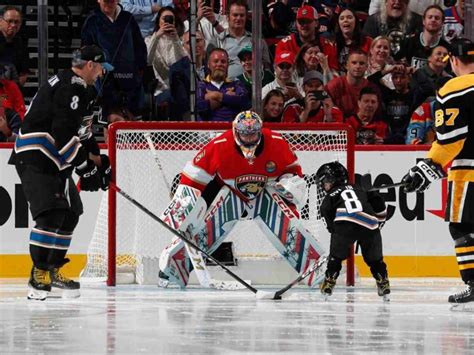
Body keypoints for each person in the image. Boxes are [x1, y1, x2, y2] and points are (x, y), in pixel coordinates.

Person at [158, 110, 326, 288]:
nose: (249, 138)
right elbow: (194, 176)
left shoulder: (277, 143)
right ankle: (172, 270)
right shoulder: (220, 145)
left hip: (264, 193)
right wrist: (184, 205)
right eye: (244, 134)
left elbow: (294, 175)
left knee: (288, 228)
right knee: (204, 230)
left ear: (260, 131)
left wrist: (289, 194)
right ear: (235, 131)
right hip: (230, 194)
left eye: (253, 133)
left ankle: (316, 270)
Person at [8, 45, 114, 300]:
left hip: (54, 159)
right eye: (100, 68)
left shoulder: (82, 89)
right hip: (36, 156)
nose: (101, 73)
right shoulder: (71, 86)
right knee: (51, 214)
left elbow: (83, 133)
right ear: (90, 64)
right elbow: (63, 133)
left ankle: (52, 269)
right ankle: (39, 275)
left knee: (69, 215)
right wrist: (84, 167)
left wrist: (99, 161)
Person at [402, 38, 474, 306]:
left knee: (462, 227)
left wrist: (426, 168)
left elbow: (451, 141)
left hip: (470, 175)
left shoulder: (454, 88)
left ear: (453, 61)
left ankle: (473, 283)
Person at [316, 161, 390, 301]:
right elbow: (381, 213)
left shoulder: (330, 195)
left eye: (323, 182)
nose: (323, 186)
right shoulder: (360, 189)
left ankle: (329, 282)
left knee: (336, 258)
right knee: (376, 261)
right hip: (370, 223)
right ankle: (383, 282)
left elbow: (327, 217)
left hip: (345, 222)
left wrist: (339, 238)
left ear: (329, 180)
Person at [81, 0, 147, 121]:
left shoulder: (128, 18)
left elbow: (139, 46)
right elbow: (86, 51)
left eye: (111, 1)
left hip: (130, 78)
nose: (109, 4)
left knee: (134, 119)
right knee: (111, 120)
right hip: (106, 80)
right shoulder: (92, 21)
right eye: (106, 1)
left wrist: (139, 69)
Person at [196, 48, 250, 121]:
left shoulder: (237, 84)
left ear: (227, 65)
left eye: (223, 62)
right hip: (207, 130)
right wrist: (229, 98)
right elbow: (199, 107)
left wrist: (217, 96)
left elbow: (244, 102)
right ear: (208, 65)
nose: (219, 64)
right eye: (215, 61)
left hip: (231, 130)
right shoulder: (201, 85)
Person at [0, 6, 30, 87]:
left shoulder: (21, 44)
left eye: (16, 22)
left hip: (11, 92)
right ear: (0, 21)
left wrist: (10, 93)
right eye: (9, 21)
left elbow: (24, 74)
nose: (13, 25)